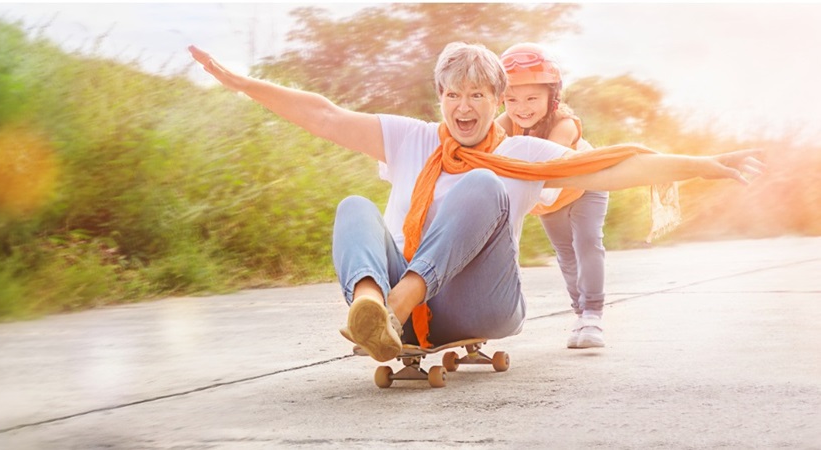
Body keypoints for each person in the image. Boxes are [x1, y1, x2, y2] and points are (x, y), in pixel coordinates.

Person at [188, 42, 763, 363]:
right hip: (404, 318)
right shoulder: (410, 138)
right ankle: (371, 309)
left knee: (484, 183)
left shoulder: (521, 149)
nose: (464, 107)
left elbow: (615, 166)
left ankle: (395, 303)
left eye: (478, 96)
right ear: (440, 97)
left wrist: (705, 164)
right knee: (353, 207)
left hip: (484, 303)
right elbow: (323, 113)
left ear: (497, 101)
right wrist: (241, 83)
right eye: (453, 94)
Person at [494, 42, 608, 349]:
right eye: (511, 99)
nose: (521, 107)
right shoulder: (508, 123)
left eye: (532, 97)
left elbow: (550, 169)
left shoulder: (564, 124)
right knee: (565, 253)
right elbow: (482, 148)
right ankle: (580, 313)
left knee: (586, 242)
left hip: (585, 183)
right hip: (549, 195)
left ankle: (594, 315)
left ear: (552, 96)